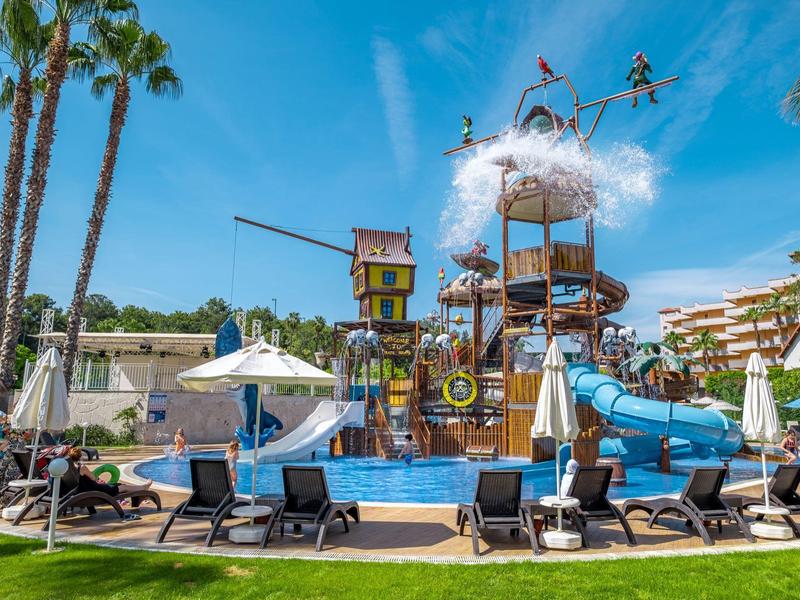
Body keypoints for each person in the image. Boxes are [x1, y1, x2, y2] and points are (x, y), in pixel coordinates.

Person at [66, 447, 153, 497]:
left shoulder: (68, 468)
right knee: (123, 487)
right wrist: (98, 480)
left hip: (81, 491)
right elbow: (93, 477)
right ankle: (144, 487)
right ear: (80, 457)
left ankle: (141, 490)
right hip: (94, 491)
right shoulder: (82, 468)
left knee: (117, 485)